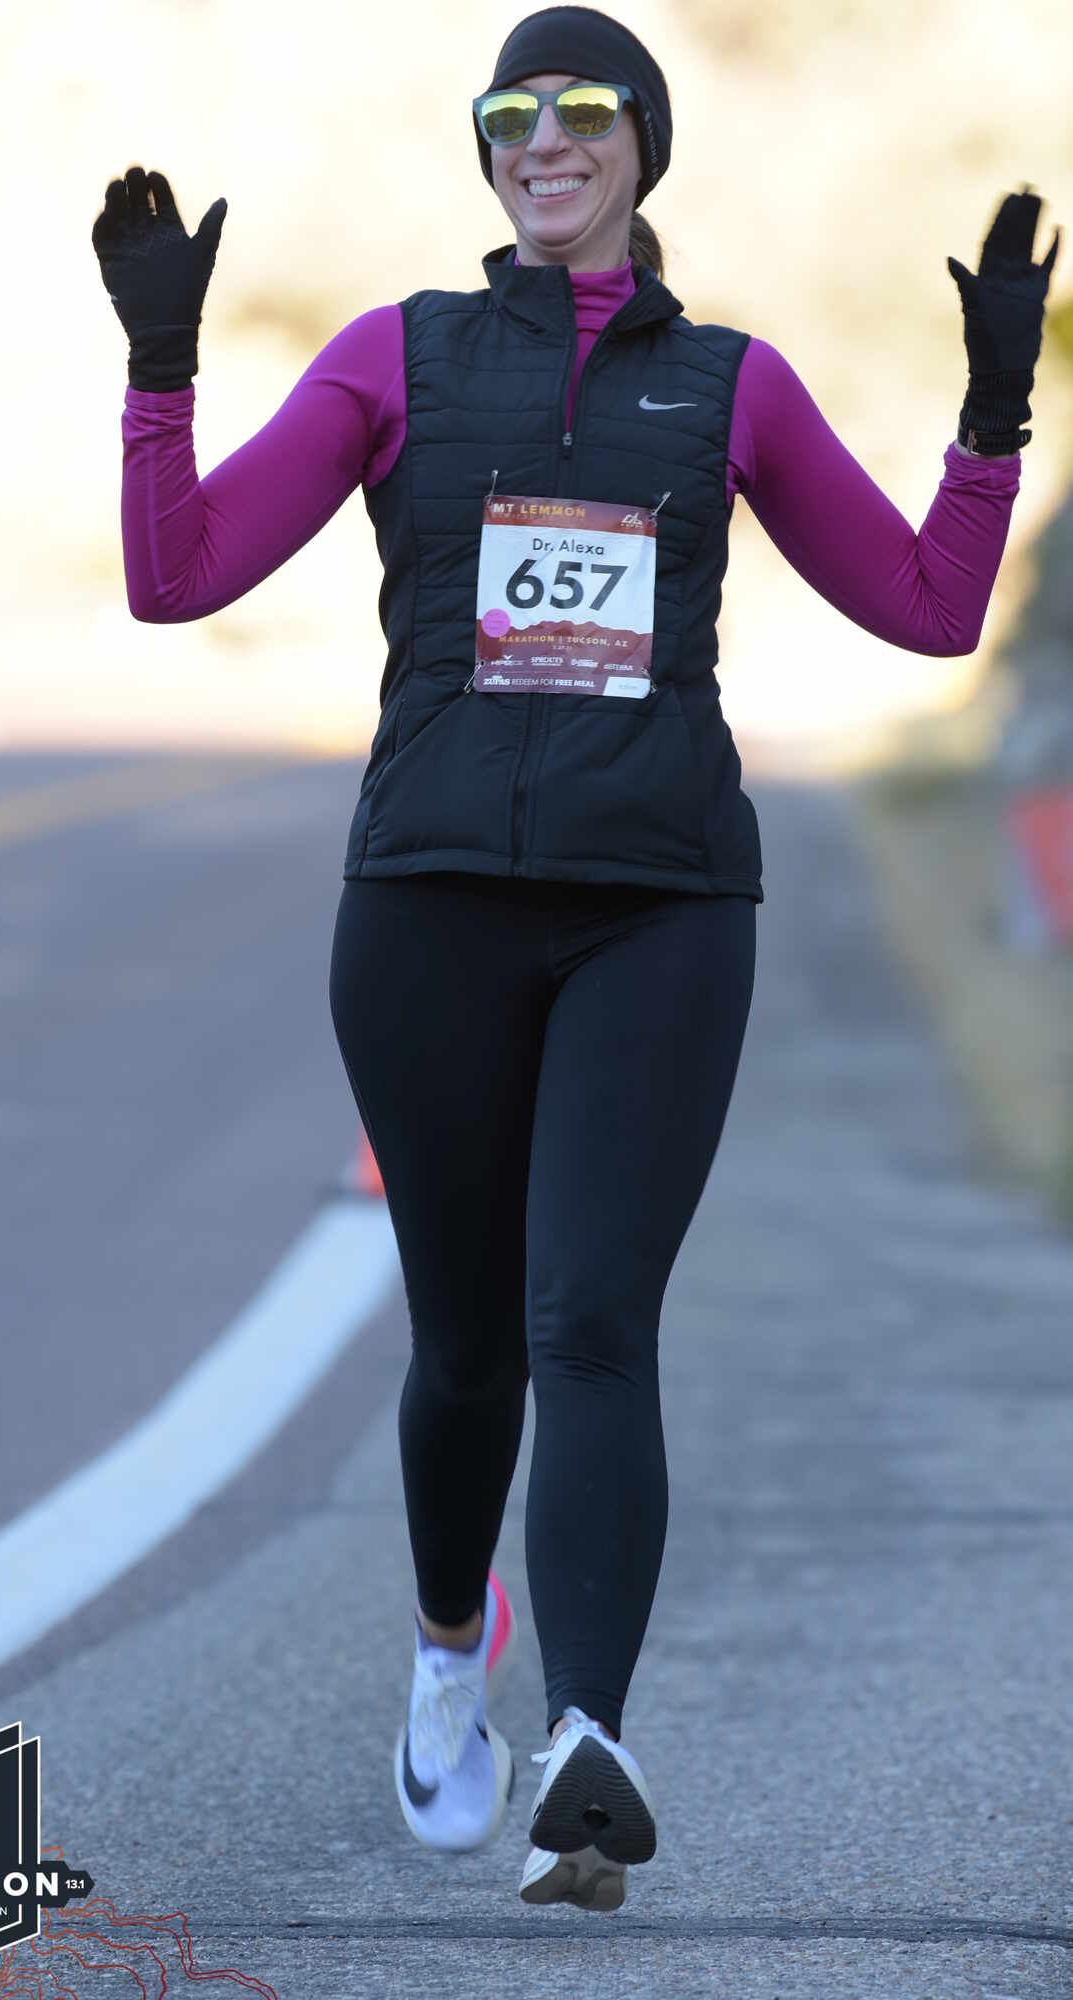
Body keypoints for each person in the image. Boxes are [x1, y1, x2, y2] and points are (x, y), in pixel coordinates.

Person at [92, 2, 1061, 1914]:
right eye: (510, 113)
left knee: (593, 1323)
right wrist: (160, 368)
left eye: (585, 108)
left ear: (643, 144)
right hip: (432, 899)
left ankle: (587, 1746)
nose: (545, 138)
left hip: (659, 906)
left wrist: (996, 416)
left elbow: (933, 611)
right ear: (489, 152)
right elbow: (176, 574)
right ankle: (451, 1651)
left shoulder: (731, 386)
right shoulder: (397, 357)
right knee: (467, 1350)